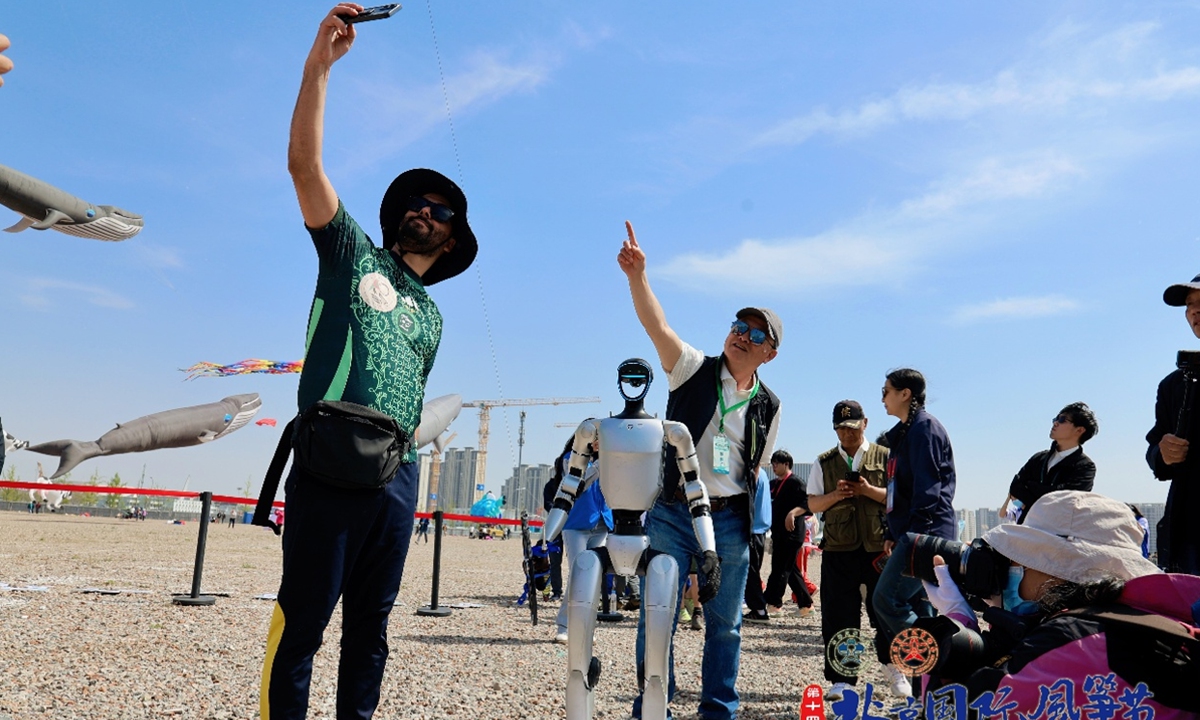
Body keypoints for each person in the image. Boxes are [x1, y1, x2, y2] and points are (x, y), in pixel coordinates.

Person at [258, 5, 478, 719]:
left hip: (396, 473)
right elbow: (304, 165)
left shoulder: (434, 312)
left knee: (372, 630)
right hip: (328, 453)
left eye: (441, 211)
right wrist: (318, 66)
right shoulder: (352, 254)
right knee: (303, 624)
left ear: (451, 241)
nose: (426, 211)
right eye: (416, 201)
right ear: (395, 215)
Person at [619, 221, 782, 720]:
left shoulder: (770, 405)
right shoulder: (691, 368)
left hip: (729, 519)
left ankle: (718, 711)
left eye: (754, 334)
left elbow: (753, 468)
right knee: (657, 616)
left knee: (726, 623)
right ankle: (653, 705)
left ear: (769, 353)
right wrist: (638, 277)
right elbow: (657, 327)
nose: (741, 335)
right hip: (672, 511)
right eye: (738, 325)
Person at [916, 491, 1196, 717]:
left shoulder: (1072, 642)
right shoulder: (1151, 622)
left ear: (1056, 568)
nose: (1010, 569)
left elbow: (951, 710)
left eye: (1018, 560)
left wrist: (953, 628)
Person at [871, 369, 956, 697]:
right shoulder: (904, 434)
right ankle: (932, 698)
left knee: (886, 598)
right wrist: (892, 532)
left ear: (905, 393)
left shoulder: (925, 429)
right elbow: (898, 491)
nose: (882, 398)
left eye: (886, 390)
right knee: (922, 610)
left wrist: (914, 538)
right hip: (910, 534)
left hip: (926, 534)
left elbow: (929, 491)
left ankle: (946, 652)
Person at [805, 400, 892, 702]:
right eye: (840, 428)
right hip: (838, 548)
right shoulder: (824, 462)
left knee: (884, 611)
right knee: (839, 614)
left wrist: (867, 490)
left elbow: (897, 499)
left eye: (852, 428)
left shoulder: (885, 457)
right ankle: (843, 679)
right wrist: (835, 495)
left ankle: (892, 667)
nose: (846, 434)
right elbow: (813, 504)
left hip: (878, 546)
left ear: (865, 424)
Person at [1146, 273, 1200, 575]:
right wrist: (1162, 453)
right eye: (1190, 305)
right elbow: (1155, 449)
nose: (1195, 311)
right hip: (1189, 531)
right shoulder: (1174, 384)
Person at [1001, 402, 1097, 524]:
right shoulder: (1039, 458)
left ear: (1079, 430)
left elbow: (1066, 502)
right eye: (1056, 419)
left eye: (1062, 420)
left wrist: (1031, 487)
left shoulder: (1085, 467)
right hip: (1026, 529)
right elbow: (1015, 488)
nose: (1055, 423)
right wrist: (1048, 492)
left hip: (1057, 535)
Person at [747, 450, 812, 623]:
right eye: (773, 463)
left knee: (780, 568)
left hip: (792, 533)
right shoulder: (772, 484)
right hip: (778, 532)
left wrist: (793, 512)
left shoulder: (796, 482)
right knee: (789, 569)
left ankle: (774, 602)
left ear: (787, 464)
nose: (774, 466)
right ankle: (806, 605)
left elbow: (808, 504)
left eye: (778, 463)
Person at [742, 467, 774, 623]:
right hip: (760, 529)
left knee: (751, 572)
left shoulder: (752, 473)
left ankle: (759, 610)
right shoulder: (763, 474)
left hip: (753, 528)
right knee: (753, 570)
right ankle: (757, 608)